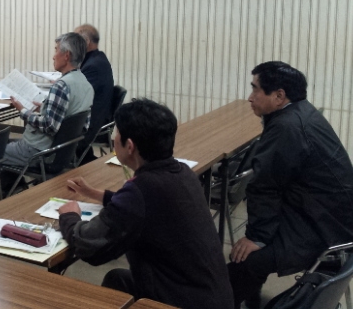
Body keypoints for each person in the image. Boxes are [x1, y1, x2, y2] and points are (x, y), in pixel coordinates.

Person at [57, 98, 233, 309]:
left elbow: (88, 244)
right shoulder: (182, 172)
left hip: (180, 301)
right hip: (213, 296)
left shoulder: (142, 190)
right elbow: (146, 208)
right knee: (117, 279)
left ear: (130, 146)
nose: (113, 139)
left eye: (117, 134)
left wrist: (69, 216)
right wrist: (93, 193)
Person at [227, 61, 353, 309]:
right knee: (253, 250)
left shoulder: (287, 127)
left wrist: (257, 238)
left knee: (246, 260)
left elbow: (265, 186)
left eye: (255, 89)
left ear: (279, 96)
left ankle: (221, 300)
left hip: (324, 228)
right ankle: (249, 298)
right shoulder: (300, 112)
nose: (250, 97)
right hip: (329, 215)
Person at [2, 32, 93, 170]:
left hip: (39, 151)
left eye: (56, 50)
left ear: (67, 55)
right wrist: (45, 107)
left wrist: (23, 111)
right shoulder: (86, 84)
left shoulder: (61, 86)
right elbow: (83, 125)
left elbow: (50, 126)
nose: (53, 56)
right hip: (63, 152)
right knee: (4, 144)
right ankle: (16, 182)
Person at [74, 24, 114, 164]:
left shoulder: (93, 66)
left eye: (75, 40)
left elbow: (77, 95)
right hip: (96, 118)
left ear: (86, 42)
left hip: (90, 125)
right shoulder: (97, 59)